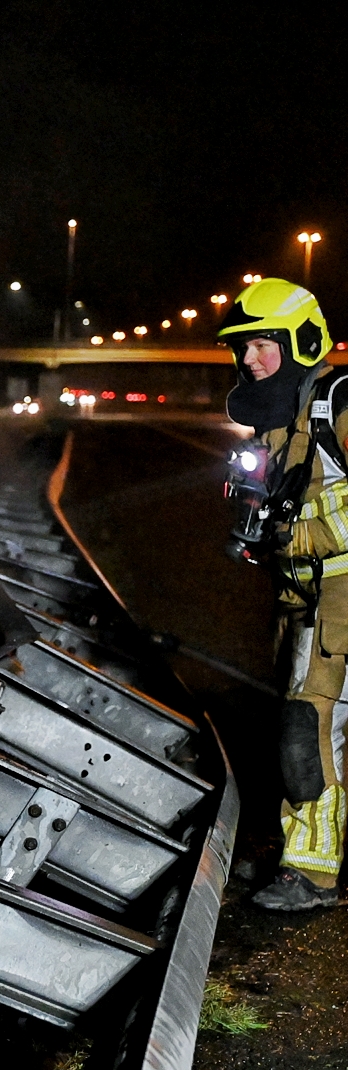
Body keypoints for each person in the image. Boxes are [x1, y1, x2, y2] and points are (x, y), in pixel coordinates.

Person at [219, 279, 348, 910]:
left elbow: (321, 520)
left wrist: (300, 535)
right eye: (244, 347)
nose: (250, 359)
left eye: (263, 344)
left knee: (309, 728)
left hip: (341, 601)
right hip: (305, 603)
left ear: (300, 340)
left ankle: (314, 874)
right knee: (309, 729)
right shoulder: (281, 418)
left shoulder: (339, 403)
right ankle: (305, 856)